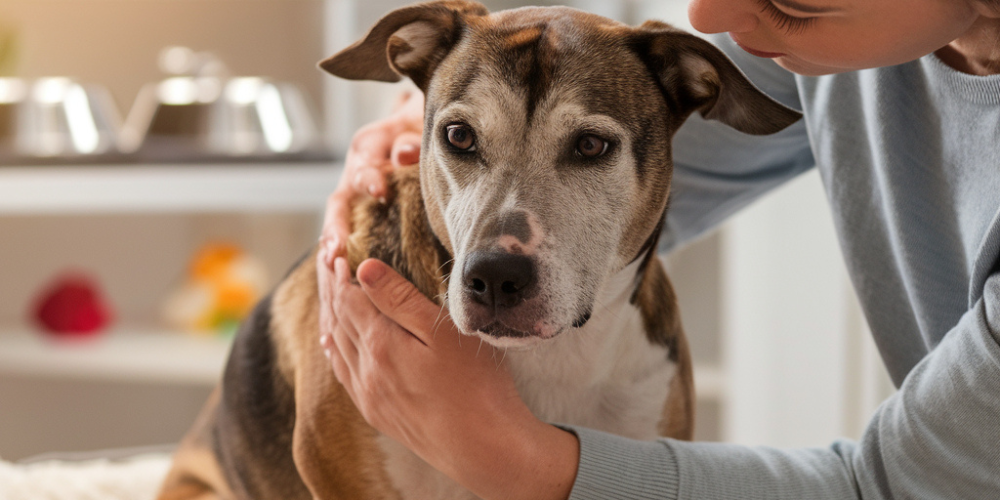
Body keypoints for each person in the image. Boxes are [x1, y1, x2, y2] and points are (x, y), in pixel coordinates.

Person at [316, 0, 1000, 498]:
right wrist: (430, 128)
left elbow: (889, 490)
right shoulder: (828, 40)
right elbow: (615, 171)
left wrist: (521, 463)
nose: (707, 16)